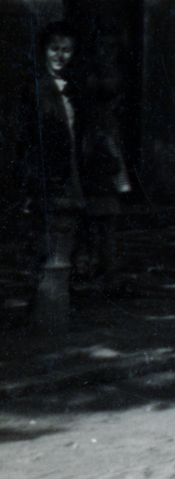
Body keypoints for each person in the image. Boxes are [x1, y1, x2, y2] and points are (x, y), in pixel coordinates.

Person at [16, 24, 131, 322]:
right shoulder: (37, 88)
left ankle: (52, 310)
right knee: (44, 243)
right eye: (55, 48)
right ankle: (43, 311)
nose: (60, 56)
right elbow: (28, 138)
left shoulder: (71, 88)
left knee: (61, 244)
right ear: (43, 50)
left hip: (70, 176)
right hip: (46, 177)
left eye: (67, 50)